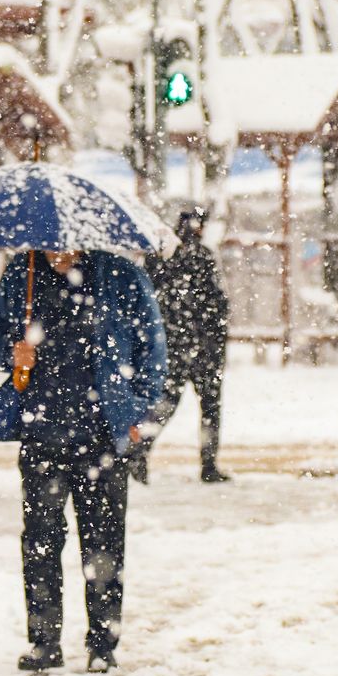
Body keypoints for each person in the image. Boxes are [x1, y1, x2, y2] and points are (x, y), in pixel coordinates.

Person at [0, 249, 166, 673]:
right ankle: (44, 641)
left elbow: (151, 349)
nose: (57, 250)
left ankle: (103, 643)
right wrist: (13, 352)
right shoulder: (22, 274)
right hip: (41, 430)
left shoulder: (120, 276)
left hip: (102, 433)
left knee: (104, 544)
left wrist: (141, 414)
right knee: (40, 541)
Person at [130, 205, 231, 485]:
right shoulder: (203, 256)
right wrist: (216, 338)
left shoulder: (159, 257)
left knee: (165, 403)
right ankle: (208, 465)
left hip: (172, 345)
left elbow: (147, 301)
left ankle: (139, 454)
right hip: (202, 345)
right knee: (208, 407)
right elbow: (219, 303)